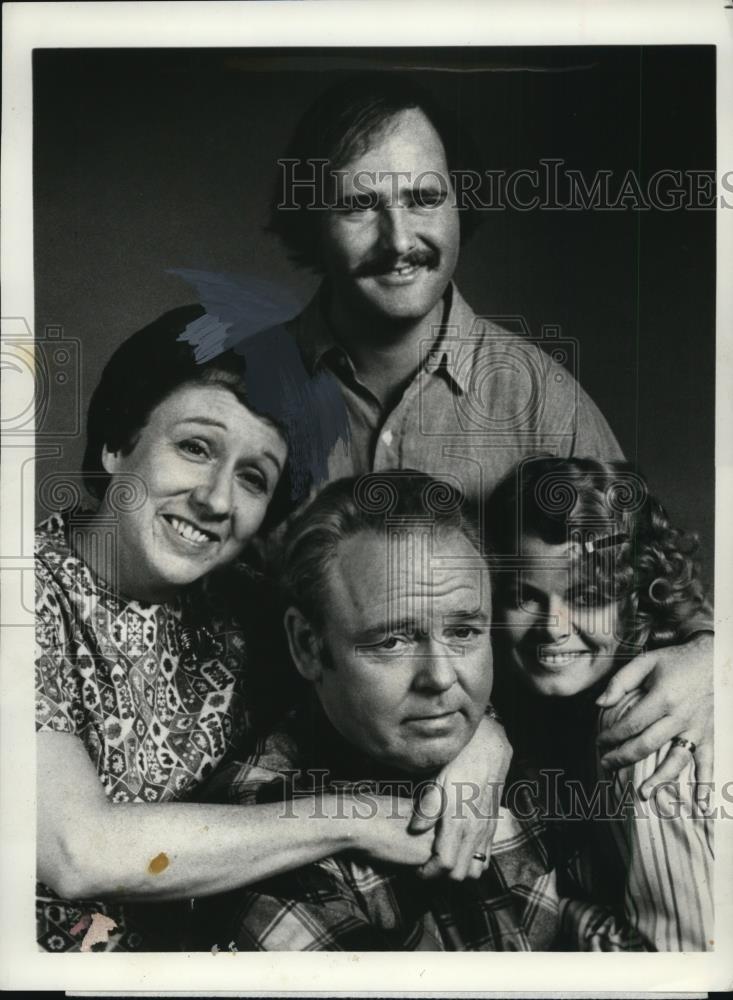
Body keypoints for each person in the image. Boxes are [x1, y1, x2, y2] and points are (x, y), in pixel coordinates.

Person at [259, 71, 714, 800]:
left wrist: (709, 655)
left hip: (505, 805)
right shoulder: (244, 396)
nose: (398, 239)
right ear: (311, 219)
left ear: (460, 203)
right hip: (294, 793)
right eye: (358, 206)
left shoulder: (539, 397)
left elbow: (644, 589)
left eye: (423, 198)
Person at [35, 306, 502, 952]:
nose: (217, 500)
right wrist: (350, 820)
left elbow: (395, 655)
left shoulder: (244, 604)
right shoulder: (23, 594)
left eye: (252, 477)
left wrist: (484, 744)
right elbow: (76, 853)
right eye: (195, 447)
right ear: (117, 444)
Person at [198, 471, 561, 951]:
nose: (441, 677)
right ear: (308, 645)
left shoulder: (528, 716)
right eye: (391, 640)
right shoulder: (266, 846)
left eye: (464, 632)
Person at [486, 456, 714, 950]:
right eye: (523, 596)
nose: (554, 626)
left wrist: (563, 912)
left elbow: (683, 963)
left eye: (586, 596)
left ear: (635, 600)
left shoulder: (648, 725)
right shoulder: (545, 715)